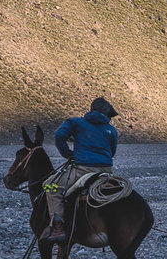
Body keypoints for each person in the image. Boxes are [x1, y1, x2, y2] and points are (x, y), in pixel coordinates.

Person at [41, 97, 119, 242]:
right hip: (106, 171)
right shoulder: (111, 129)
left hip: (83, 170)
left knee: (51, 186)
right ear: (106, 113)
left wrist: (67, 154)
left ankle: (58, 227)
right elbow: (112, 152)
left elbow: (59, 135)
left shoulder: (76, 123)